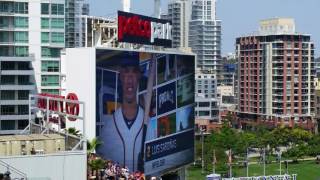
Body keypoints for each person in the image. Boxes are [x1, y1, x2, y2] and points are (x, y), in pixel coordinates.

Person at [99, 53, 147, 173]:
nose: (130, 79)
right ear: (120, 76)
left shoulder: (149, 123)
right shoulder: (107, 128)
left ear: (139, 76)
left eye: (134, 72)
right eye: (126, 72)